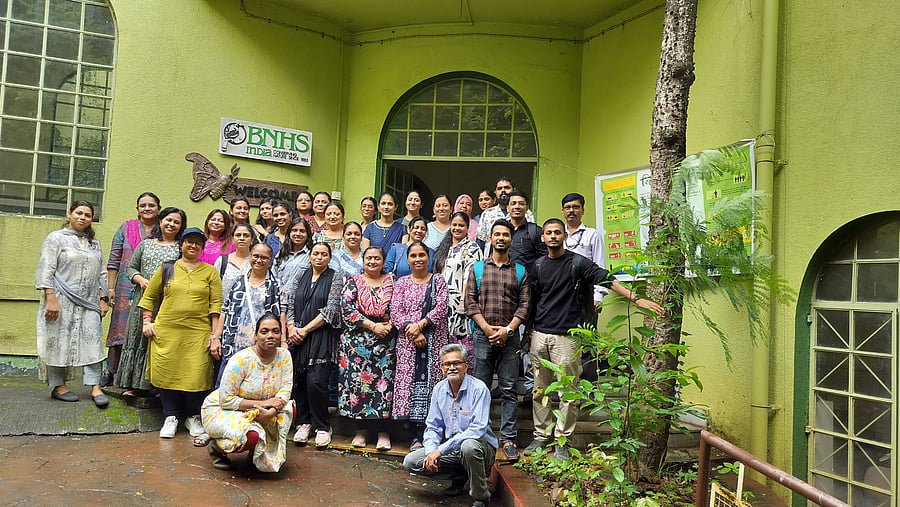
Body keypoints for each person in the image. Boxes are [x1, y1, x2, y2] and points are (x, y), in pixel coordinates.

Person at [524, 219, 663, 459]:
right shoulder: (536, 266)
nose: (554, 236)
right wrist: (528, 332)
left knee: (568, 392)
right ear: (543, 238)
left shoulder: (578, 263)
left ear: (565, 236)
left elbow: (607, 278)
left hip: (568, 337)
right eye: (549, 233)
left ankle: (563, 441)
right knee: (540, 390)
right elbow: (532, 300)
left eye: (558, 232)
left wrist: (636, 299)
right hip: (540, 335)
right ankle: (541, 436)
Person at [139, 227, 223, 439]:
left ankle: (192, 416)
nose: (193, 245)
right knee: (168, 372)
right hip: (167, 331)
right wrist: (147, 321)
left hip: (198, 332)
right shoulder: (167, 268)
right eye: (189, 242)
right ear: (181, 244)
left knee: (196, 374)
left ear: (202, 247)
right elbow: (150, 297)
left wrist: (215, 336)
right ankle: (171, 417)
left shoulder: (210, 271)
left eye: (197, 243)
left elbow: (216, 305)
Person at [465, 219, 530, 462]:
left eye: (505, 234)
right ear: (490, 238)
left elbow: (525, 305)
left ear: (511, 240)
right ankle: (479, 434)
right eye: (497, 234)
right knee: (480, 388)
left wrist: (508, 331)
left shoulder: (520, 271)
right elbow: (470, 302)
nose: (501, 238)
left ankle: (509, 438)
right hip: (483, 336)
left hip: (510, 339)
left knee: (509, 389)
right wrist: (487, 328)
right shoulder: (478, 268)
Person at [35, 200, 111, 407]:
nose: (82, 217)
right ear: (69, 214)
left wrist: (104, 299)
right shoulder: (55, 239)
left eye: (87, 215)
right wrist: (51, 298)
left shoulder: (93, 243)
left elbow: (101, 272)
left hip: (88, 302)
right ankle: (59, 386)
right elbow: (45, 269)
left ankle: (95, 387)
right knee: (58, 340)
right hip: (60, 300)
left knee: (93, 340)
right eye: (79, 213)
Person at [402, 344, 497, 507]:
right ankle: (459, 476)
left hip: (480, 450)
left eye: (456, 363)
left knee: (468, 446)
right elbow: (433, 426)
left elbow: (477, 430)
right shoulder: (439, 389)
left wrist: (440, 450)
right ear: (442, 368)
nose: (452, 367)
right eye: (447, 364)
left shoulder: (479, 389)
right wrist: (431, 451)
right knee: (412, 461)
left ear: (465, 366)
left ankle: (481, 497)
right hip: (453, 450)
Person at [202, 313, 294, 472]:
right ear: (256, 335)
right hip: (223, 409)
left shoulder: (284, 356)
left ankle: (255, 454)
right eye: (264, 331)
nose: (270, 336)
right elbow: (226, 400)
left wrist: (270, 412)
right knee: (251, 434)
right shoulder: (241, 360)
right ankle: (216, 447)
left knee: (289, 410)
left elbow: (285, 390)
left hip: (262, 409)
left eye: (275, 331)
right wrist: (263, 404)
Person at [115, 206, 186, 396]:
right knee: (138, 337)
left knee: (160, 340)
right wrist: (140, 280)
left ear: (181, 226)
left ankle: (155, 385)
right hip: (142, 299)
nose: (171, 224)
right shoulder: (146, 244)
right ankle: (134, 385)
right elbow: (131, 269)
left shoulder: (181, 248)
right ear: (160, 221)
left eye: (176, 222)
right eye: (168, 220)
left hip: (167, 302)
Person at [283, 242, 345, 448]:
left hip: (320, 336)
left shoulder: (336, 276)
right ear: (310, 256)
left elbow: (331, 309)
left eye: (324, 254)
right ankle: (303, 423)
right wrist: (291, 327)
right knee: (299, 381)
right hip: (296, 337)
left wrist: (305, 330)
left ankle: (322, 426)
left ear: (329, 257)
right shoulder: (300, 275)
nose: (319, 257)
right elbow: (289, 302)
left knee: (316, 382)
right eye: (316, 253)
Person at [391, 242, 450, 449]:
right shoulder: (402, 283)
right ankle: (414, 436)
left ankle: (433, 433)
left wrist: (421, 325)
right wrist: (413, 331)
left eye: (422, 255)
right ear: (408, 260)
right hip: (408, 344)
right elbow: (396, 312)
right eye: (413, 256)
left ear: (428, 257)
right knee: (409, 385)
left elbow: (442, 307)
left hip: (434, 341)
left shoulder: (438, 281)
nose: (418, 259)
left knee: (434, 385)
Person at [339, 246, 396, 451]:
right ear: (363, 261)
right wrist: (372, 326)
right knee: (358, 385)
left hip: (385, 342)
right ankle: (361, 430)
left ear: (383, 261)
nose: (373, 262)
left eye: (377, 258)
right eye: (369, 258)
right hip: (357, 343)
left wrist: (389, 325)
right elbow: (346, 309)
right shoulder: (353, 282)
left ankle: (383, 431)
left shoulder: (392, 281)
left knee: (384, 385)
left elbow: (399, 307)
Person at [102, 191, 160, 386]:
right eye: (143, 205)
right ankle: (112, 371)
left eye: (151, 205)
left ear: (158, 209)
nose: (147, 208)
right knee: (120, 327)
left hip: (152, 288)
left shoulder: (162, 230)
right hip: (125, 287)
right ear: (137, 209)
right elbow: (114, 259)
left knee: (144, 329)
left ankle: (138, 377)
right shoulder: (127, 228)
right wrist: (110, 289)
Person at [211, 243, 282, 387]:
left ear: (270, 261)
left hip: (261, 347)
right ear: (250, 257)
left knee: (255, 388)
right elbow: (225, 310)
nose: (259, 260)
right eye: (255, 256)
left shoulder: (276, 286)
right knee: (226, 388)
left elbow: (281, 315)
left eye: (264, 257)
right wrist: (216, 337)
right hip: (234, 345)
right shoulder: (238, 282)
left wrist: (283, 342)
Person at [561, 192, 608, 381]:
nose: (571, 211)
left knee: (587, 343)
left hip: (586, 298)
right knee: (562, 342)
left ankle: (589, 388)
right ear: (563, 211)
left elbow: (600, 266)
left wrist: (599, 296)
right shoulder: (558, 233)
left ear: (583, 210)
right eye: (568, 207)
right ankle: (564, 385)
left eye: (575, 207)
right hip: (562, 298)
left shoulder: (592, 235)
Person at [434, 212, 483, 366]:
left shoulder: (472, 248)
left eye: (461, 225)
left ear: (468, 228)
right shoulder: (445, 247)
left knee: (460, 350)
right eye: (454, 224)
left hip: (460, 306)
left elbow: (470, 276)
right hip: (442, 303)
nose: (457, 228)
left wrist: (463, 301)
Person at [476, 177, 535, 244]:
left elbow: (532, 237)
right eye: (499, 188)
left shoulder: (526, 213)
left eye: (507, 188)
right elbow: (480, 241)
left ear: (514, 190)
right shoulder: (487, 214)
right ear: (495, 192)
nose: (503, 191)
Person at [213, 223, 255, 300]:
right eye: (238, 235)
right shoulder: (222, 261)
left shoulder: (256, 261)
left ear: (252, 239)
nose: (242, 238)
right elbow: (214, 288)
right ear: (232, 239)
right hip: (225, 310)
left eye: (246, 235)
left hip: (250, 309)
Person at [274, 217, 312, 289]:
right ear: (289, 233)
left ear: (308, 234)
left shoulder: (311, 255)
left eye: (302, 231)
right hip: (280, 297)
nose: (298, 234)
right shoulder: (282, 253)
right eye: (294, 230)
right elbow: (273, 275)